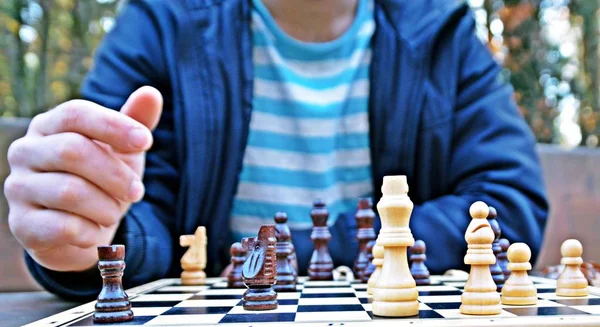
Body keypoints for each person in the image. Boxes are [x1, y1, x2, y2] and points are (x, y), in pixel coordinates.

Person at [5, 0, 548, 300]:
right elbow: (131, 208)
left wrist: (292, 255)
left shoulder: (443, 32)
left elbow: (509, 203)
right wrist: (89, 230)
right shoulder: (161, 22)